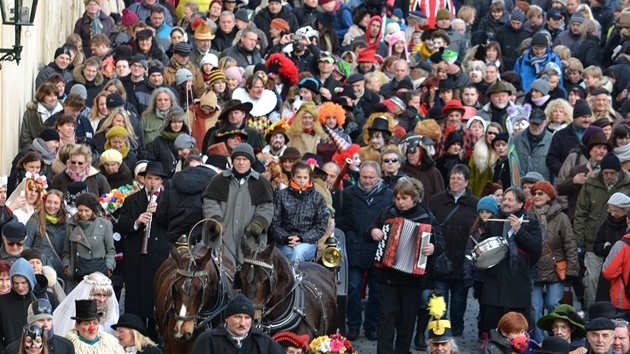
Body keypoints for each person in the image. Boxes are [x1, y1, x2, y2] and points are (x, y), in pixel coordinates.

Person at [370, 178, 445, 354]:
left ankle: (402, 351)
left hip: (413, 279)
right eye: (397, 198)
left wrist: (433, 247)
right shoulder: (387, 213)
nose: (400, 202)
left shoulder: (426, 216)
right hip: (387, 276)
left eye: (405, 198)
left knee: (406, 321)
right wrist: (373, 231)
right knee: (386, 317)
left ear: (414, 198)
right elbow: (371, 228)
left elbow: (440, 241)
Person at [114, 161, 169, 338]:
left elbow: (174, 224)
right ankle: (134, 337)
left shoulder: (167, 200)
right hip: (136, 257)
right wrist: (137, 222)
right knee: (135, 300)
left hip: (158, 257)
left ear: (161, 181)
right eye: (150, 178)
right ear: (143, 179)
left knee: (155, 299)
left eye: (156, 179)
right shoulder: (132, 200)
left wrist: (158, 212)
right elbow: (121, 225)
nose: (153, 182)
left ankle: (154, 338)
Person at [480, 187, 542, 331]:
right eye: (504, 199)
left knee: (516, 327)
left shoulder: (530, 223)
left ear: (520, 204)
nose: (505, 203)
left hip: (518, 284)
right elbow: (483, 244)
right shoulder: (494, 220)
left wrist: (519, 230)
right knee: (494, 325)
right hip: (495, 282)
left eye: (510, 200)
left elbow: (536, 248)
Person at [344, 161, 393, 342]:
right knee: (353, 288)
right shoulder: (348, 194)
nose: (366, 181)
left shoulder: (388, 196)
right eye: (363, 177)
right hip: (355, 248)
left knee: (377, 291)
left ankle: (371, 325)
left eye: (371, 177)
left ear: (379, 177)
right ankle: (354, 325)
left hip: (378, 250)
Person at [574, 153, 630, 309]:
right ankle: (593, 313)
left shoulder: (628, 183)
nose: (609, 176)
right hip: (594, 241)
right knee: (591, 280)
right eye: (606, 173)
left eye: (613, 173)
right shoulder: (591, 183)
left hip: (623, 244)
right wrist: (580, 243)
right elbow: (581, 213)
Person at [429, 164, 478, 337]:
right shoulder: (437, 200)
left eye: (459, 178)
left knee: (459, 298)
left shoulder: (475, 204)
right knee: (438, 296)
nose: (455, 181)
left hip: (462, 260)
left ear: (466, 182)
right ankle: (438, 327)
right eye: (452, 178)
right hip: (440, 257)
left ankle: (457, 327)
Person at [203, 144, 274, 264]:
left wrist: (259, 223)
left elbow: (266, 207)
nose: (241, 163)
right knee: (223, 273)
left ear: (251, 162)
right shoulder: (218, 180)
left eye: (245, 159)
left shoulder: (261, 183)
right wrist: (215, 221)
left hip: (250, 240)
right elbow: (210, 203)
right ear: (233, 161)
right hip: (222, 239)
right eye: (238, 159)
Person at [528, 181, 579, 342]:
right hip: (534, 268)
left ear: (549, 196)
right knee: (534, 307)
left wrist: (571, 269)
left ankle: (556, 340)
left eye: (540, 193)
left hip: (555, 269)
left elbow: (570, 244)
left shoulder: (561, 217)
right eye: (534, 193)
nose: (536, 196)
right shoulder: (527, 215)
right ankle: (538, 342)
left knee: (553, 305)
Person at [269, 161, 328, 262]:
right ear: (292, 176)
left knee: (297, 252)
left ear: (310, 178)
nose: (302, 180)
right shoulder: (281, 195)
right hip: (284, 241)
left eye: (305, 178)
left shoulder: (317, 198)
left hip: (307, 243)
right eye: (299, 177)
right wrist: (285, 237)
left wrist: (302, 238)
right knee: (289, 252)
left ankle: (295, 277)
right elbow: (274, 223)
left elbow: (320, 226)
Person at [189, 294, 285, 354]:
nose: (242, 323)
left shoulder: (264, 342)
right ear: (226, 318)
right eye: (238, 317)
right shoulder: (207, 340)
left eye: (247, 318)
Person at [0, 258, 59, 352]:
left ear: (31, 279)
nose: (20, 287)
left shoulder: (48, 298)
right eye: (16, 283)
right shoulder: (3, 302)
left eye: (23, 282)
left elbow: (59, 326)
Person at [61, 193, 115, 290]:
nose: (83, 214)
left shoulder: (105, 225)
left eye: (87, 210)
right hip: (76, 276)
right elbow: (66, 252)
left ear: (93, 211)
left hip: (99, 276)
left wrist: (108, 267)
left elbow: (110, 250)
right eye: (80, 210)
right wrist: (67, 267)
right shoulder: (70, 225)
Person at [53, 272, 119, 338]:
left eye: (105, 295)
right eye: (97, 295)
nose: (101, 299)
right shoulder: (72, 312)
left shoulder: (110, 311)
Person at [4, 298, 75, 354]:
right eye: (41, 320)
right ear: (30, 322)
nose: (46, 324)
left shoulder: (66, 346)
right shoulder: (12, 349)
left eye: (49, 320)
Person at [23, 189, 67, 275]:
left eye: (55, 203)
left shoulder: (66, 223)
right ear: (44, 202)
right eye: (49, 202)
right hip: (41, 271)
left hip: (59, 270)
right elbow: (25, 247)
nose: (51, 206)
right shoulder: (34, 221)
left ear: (61, 205)